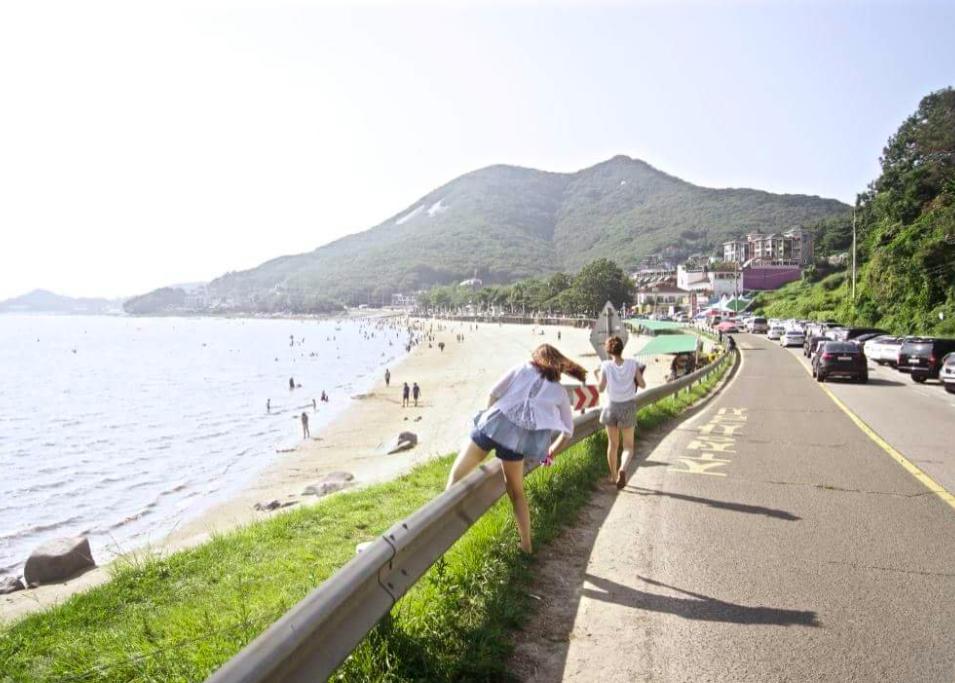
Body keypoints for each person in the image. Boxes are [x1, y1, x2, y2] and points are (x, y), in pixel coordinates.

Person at [446, 344, 586, 553]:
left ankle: (443, 516)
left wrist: (487, 415)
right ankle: (526, 544)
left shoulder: (523, 367)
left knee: (458, 474)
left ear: (537, 359)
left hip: (491, 426)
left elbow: (493, 393)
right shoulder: (559, 391)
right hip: (516, 443)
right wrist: (551, 454)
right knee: (516, 493)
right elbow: (568, 431)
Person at [595, 336, 646, 489]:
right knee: (628, 446)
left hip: (611, 407)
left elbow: (601, 388)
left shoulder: (605, 365)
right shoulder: (632, 364)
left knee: (613, 444)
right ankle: (623, 469)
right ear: (621, 348)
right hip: (628, 407)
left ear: (608, 350)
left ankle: (613, 476)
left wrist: (597, 374)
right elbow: (642, 384)